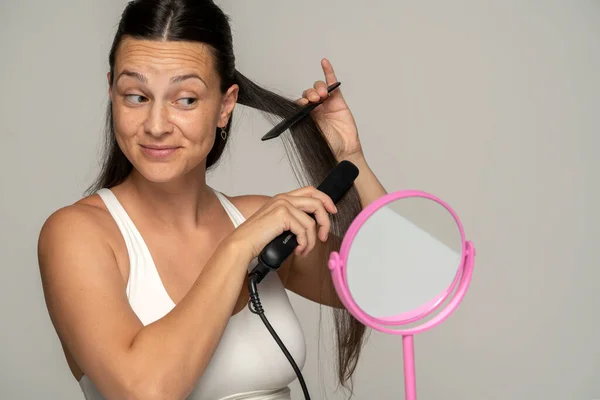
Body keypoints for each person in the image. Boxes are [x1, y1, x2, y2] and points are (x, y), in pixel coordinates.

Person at [37, 1, 387, 399]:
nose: (155, 125)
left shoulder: (258, 219)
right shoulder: (77, 235)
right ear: (111, 92)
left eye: (185, 99)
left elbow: (396, 291)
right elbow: (145, 391)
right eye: (136, 96)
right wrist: (238, 248)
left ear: (225, 105)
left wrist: (350, 158)